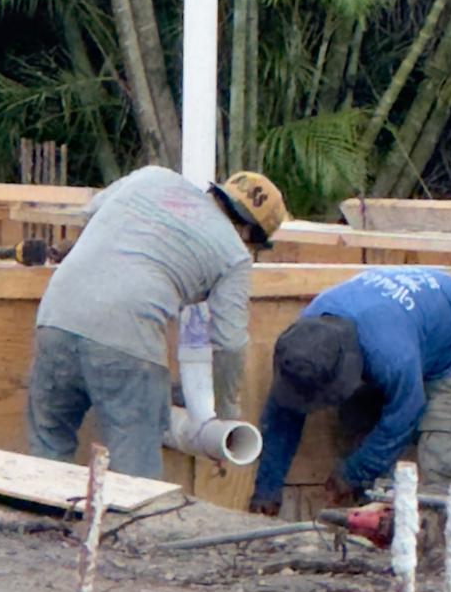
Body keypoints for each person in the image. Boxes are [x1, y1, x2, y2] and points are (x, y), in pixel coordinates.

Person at [25, 165, 287, 478]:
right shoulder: (234, 254)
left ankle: (40, 520)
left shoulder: (152, 177)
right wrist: (225, 415)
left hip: (57, 316)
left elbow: (91, 213)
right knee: (135, 471)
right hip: (127, 339)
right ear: (248, 234)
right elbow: (228, 344)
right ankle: (130, 528)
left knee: (48, 444)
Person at [249, 267, 451, 516]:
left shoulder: (391, 356)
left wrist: (353, 473)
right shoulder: (304, 341)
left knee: (444, 453)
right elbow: (283, 415)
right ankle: (375, 520)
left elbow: (404, 416)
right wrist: (267, 490)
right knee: (355, 423)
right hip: (418, 330)